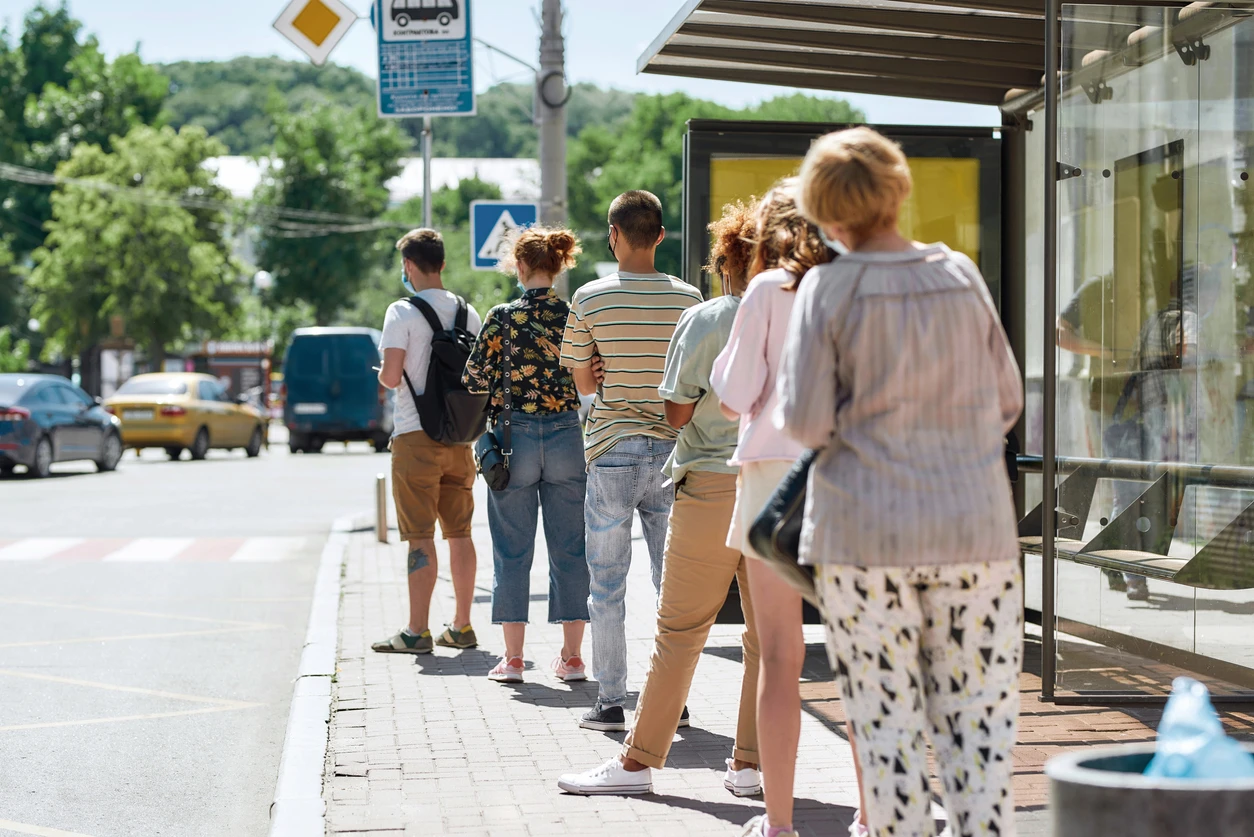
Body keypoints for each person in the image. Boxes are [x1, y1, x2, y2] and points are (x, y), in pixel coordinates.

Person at [779, 127, 1023, 837]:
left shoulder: (828, 287)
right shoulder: (959, 274)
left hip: (863, 534)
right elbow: (1007, 400)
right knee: (978, 740)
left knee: (887, 739)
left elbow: (805, 420)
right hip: (974, 529)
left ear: (824, 209)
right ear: (898, 189)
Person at [558, 201, 763, 796]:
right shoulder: (788, 317)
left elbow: (670, 407)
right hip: (777, 486)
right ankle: (747, 766)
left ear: (725, 260)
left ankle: (635, 758)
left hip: (695, 475)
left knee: (669, 620)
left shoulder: (704, 317)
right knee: (761, 635)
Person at [711, 181, 871, 837]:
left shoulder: (767, 289)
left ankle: (779, 824)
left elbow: (735, 391)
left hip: (775, 474)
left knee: (779, 657)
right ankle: (873, 816)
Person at [559, 190, 703, 731]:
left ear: (614, 235)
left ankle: (611, 702)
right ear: (661, 236)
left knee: (607, 584)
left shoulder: (591, 297)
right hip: (672, 452)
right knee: (672, 585)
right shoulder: (689, 300)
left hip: (612, 449)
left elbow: (579, 373)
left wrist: (601, 389)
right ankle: (673, 703)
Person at [461, 227, 591, 682]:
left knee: (513, 552)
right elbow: (589, 374)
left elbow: (474, 379)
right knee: (570, 550)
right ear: (557, 267)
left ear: (519, 267)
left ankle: (514, 660)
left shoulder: (502, 317)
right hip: (565, 437)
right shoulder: (573, 314)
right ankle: (572, 658)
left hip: (513, 439)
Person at [371, 228, 482, 655]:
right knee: (461, 533)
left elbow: (392, 376)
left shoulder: (400, 312)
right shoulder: (468, 313)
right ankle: (462, 626)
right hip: (459, 439)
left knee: (421, 537)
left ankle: (417, 631)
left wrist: (381, 373)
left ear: (410, 267)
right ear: (442, 264)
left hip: (416, 438)